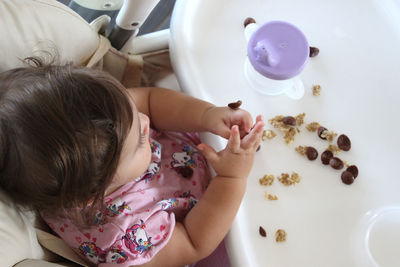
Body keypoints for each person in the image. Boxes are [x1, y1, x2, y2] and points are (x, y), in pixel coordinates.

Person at [0, 58, 264, 267]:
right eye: (140, 138)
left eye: (136, 115)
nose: (146, 121)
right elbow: (194, 242)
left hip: (200, 156)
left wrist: (207, 115)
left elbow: (148, 100)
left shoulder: (103, 121)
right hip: (209, 223)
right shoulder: (123, 238)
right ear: (93, 193)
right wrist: (232, 179)